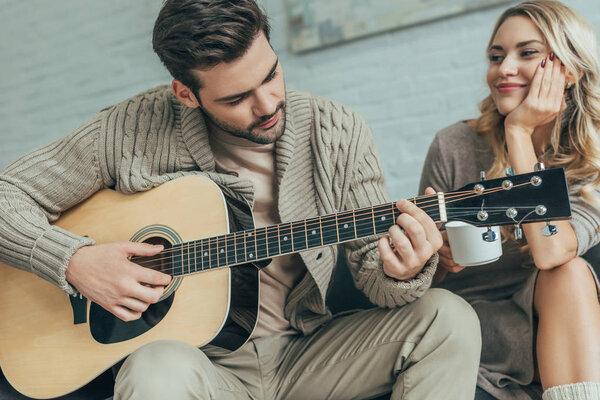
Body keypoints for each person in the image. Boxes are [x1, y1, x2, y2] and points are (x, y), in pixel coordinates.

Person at [0, 1, 481, 399]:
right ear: (185, 94)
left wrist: (400, 271)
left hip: (310, 351)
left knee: (447, 318)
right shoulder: (129, 128)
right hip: (198, 366)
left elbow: (376, 283)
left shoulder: (338, 130)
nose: (268, 104)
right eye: (237, 98)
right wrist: (74, 261)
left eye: (272, 75)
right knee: (154, 369)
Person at [419, 1, 600, 399]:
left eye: (528, 53)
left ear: (569, 70)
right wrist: (435, 256)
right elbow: (423, 282)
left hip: (558, 324)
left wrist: (518, 134)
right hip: (472, 327)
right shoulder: (454, 144)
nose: (504, 69)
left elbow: (552, 252)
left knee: (568, 273)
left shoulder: (593, 158)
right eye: (496, 56)